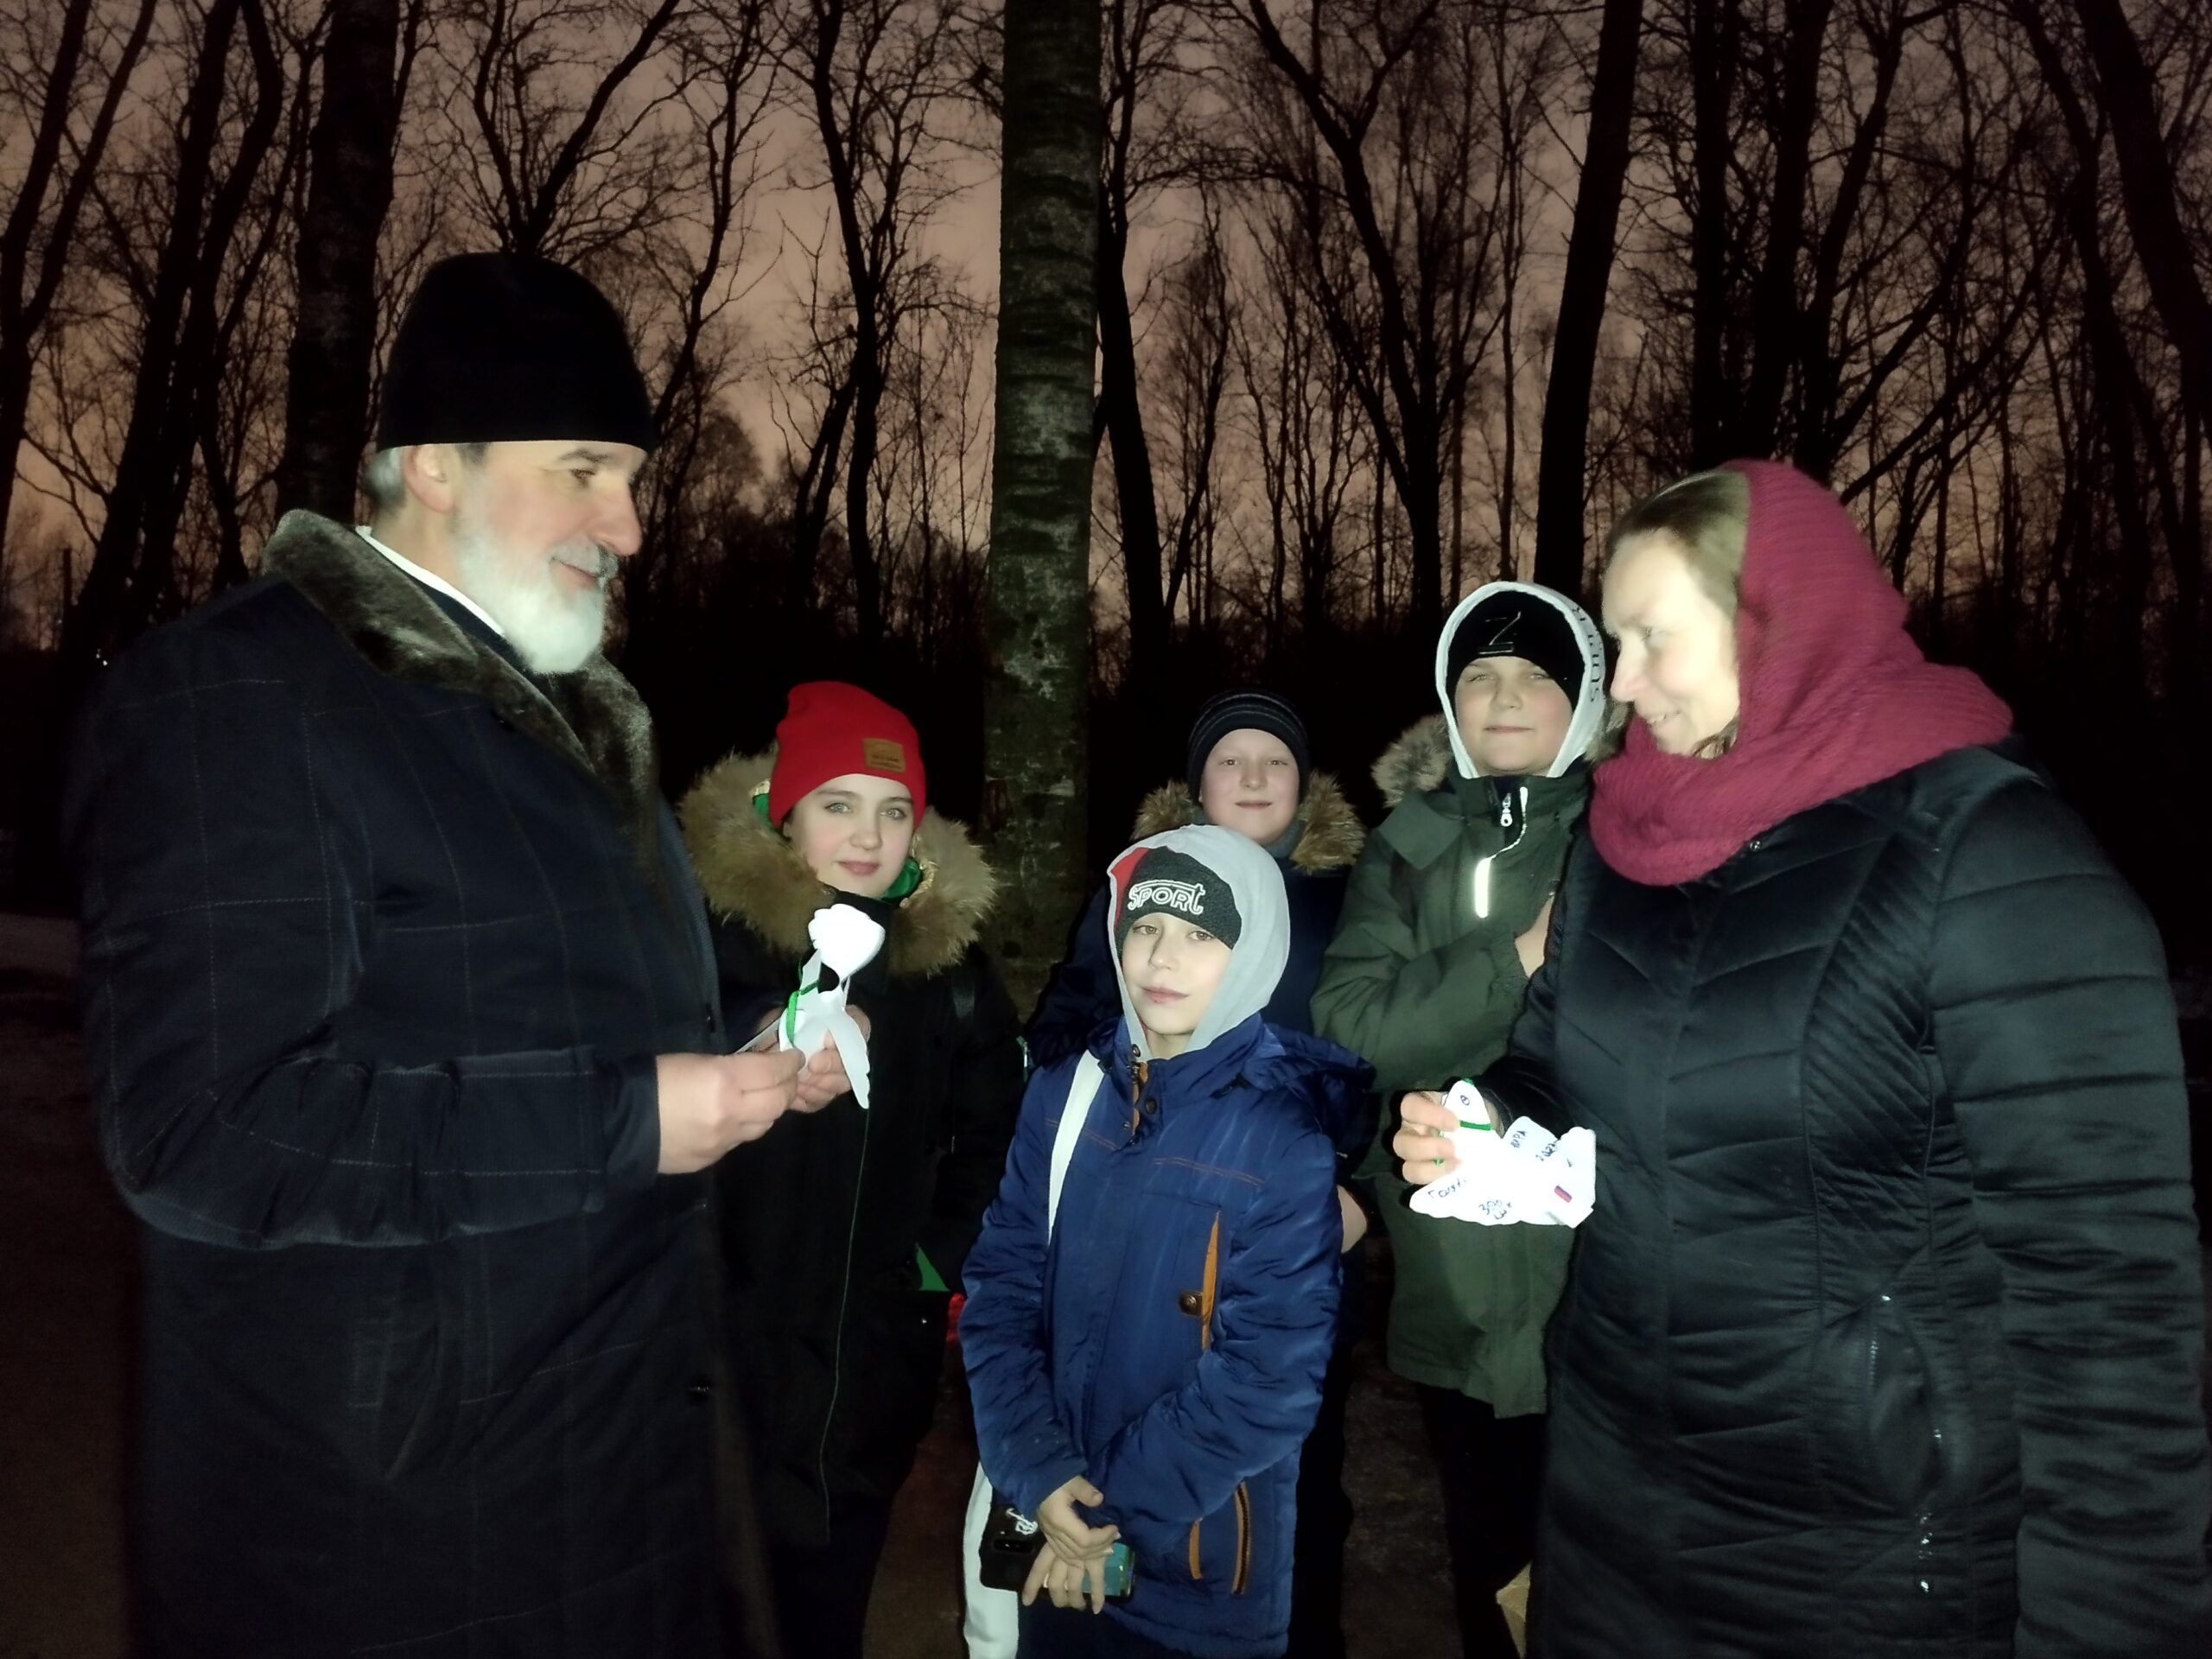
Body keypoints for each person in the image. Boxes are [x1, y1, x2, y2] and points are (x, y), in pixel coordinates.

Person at [63, 252, 830, 1656]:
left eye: (635, 481)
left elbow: (550, 1000)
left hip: (622, 1500)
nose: (630, 526)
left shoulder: (574, 719)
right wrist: (629, 1120)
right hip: (387, 1554)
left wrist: (760, 1042)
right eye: (587, 471)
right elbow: (202, 1128)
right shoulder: (242, 694)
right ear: (431, 464)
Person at [1395, 461, 2212, 1656]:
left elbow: (2108, 1299)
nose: (1624, 683)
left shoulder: (1984, 852)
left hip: (1870, 1554)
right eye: (1616, 641)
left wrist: (2111, 1622)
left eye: (1654, 637)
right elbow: (1555, 1061)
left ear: (1779, 619)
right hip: (1614, 1514)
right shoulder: (1621, 839)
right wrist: (1488, 1123)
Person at [963, 825, 1372, 1658]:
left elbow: (1267, 1381)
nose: (1162, 957)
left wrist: (1101, 1519)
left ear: (1254, 952)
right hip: (1053, 1525)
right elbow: (1002, 1287)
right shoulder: (1064, 1096)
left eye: (1200, 934)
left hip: (1197, 1568)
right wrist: (1040, 1472)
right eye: (1145, 925)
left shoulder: (1283, 1141)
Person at [677, 682, 1025, 1659]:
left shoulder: (948, 973)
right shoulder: (702, 940)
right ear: (784, 814)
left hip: (868, 1370)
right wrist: (751, 1041)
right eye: (838, 804)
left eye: (893, 809)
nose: (868, 836)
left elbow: (999, 1131)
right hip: (712, 1368)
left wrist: (929, 1266)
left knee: (826, 1608)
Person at [1309, 580, 1605, 1659]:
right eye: (1479, 675)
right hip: (1457, 1287)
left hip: (1610, 1299)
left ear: (1588, 699)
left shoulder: (1635, 827)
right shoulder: (1407, 847)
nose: (1506, 696)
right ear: (1449, 700)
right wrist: (1518, 959)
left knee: (1613, 1588)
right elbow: (1352, 1025)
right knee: (1492, 1581)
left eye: (1534, 675)